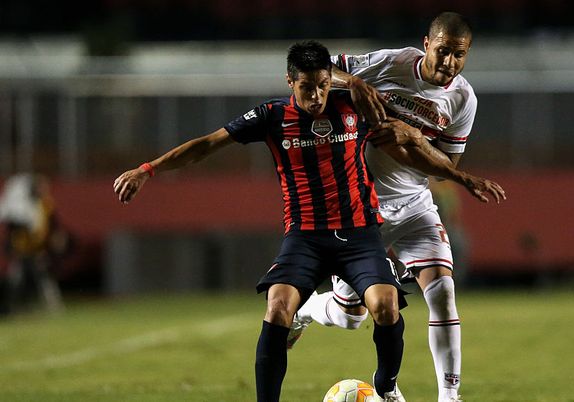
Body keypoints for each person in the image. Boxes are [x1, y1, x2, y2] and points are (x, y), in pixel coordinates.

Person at [114, 40, 474, 402]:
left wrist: (457, 174)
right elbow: (207, 144)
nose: (317, 96)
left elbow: (406, 148)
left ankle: (386, 389)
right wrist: (149, 169)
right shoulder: (271, 116)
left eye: (322, 85)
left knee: (384, 305)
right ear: (290, 81)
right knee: (278, 306)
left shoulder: (354, 107)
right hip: (305, 237)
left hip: (360, 234)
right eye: (307, 87)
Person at [288, 12, 506, 402]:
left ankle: (449, 397)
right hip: (359, 208)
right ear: (427, 44)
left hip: (414, 204)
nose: (448, 63)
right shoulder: (393, 63)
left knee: (442, 292)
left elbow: (445, 166)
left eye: (459, 55)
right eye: (442, 51)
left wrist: (413, 137)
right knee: (350, 316)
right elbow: (318, 69)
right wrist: (352, 81)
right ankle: (305, 310)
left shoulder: (463, 99)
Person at [0, 173, 68, 315]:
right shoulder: (21, 207)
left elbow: (51, 225)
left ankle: (54, 307)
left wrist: (47, 247)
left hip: (37, 249)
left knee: (44, 277)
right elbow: (12, 229)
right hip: (22, 250)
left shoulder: (45, 204)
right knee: (16, 279)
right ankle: (13, 308)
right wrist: (12, 249)